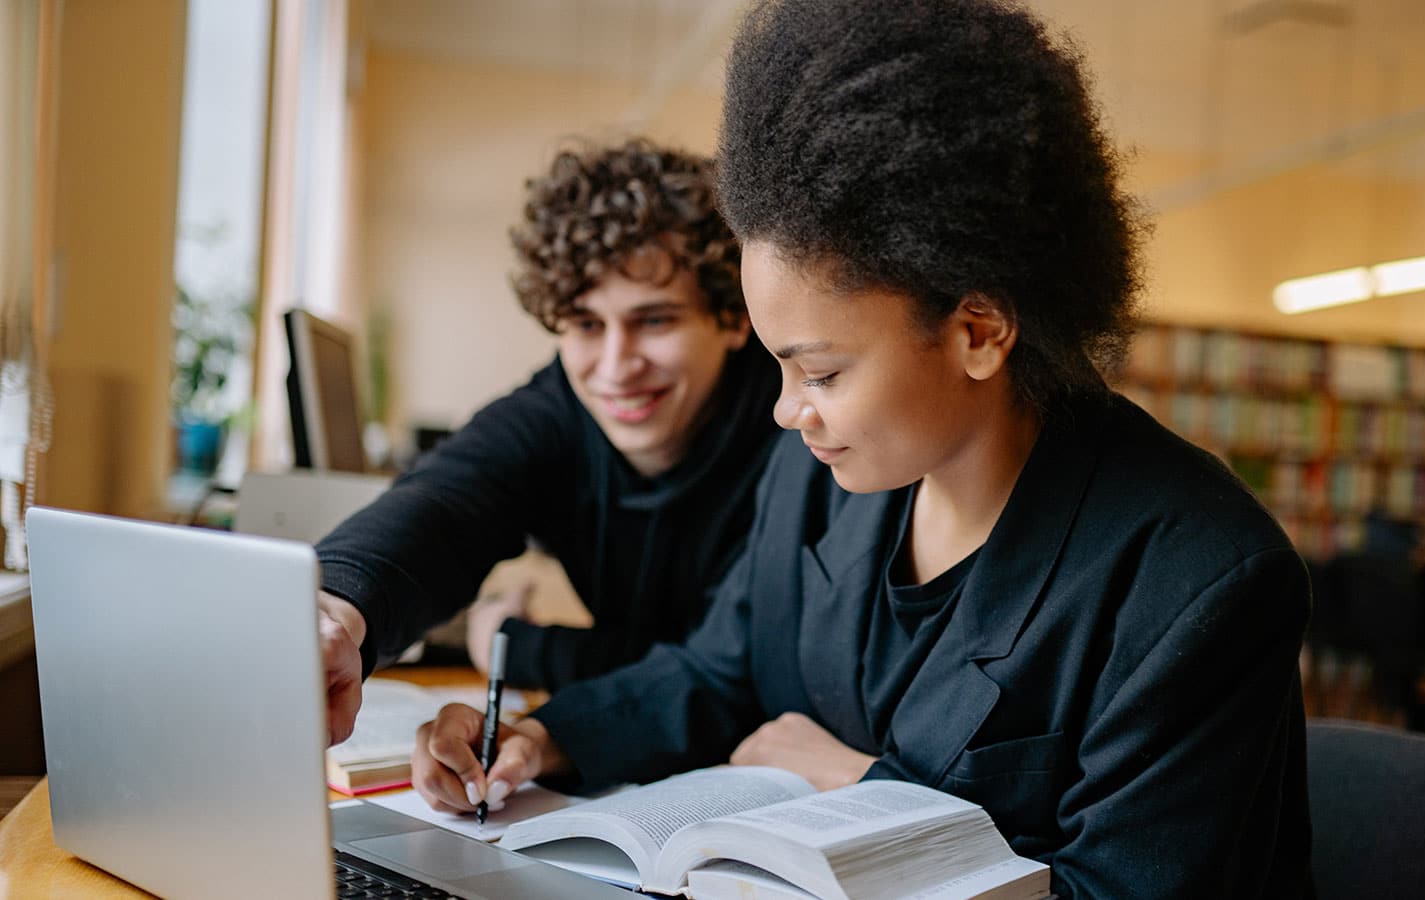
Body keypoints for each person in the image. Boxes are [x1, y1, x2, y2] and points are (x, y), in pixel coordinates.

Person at [412, 2, 1313, 894]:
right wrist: (544, 736)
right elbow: (723, 669)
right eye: (778, 367)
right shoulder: (826, 473)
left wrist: (859, 791)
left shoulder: (1197, 581)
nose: (784, 412)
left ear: (978, 330)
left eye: (822, 372)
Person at [315, 139, 779, 744]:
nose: (616, 366)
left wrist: (521, 645)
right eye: (587, 324)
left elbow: (739, 672)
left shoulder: (800, 421)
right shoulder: (553, 411)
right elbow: (446, 501)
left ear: (734, 317)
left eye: (655, 320)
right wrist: (336, 613)